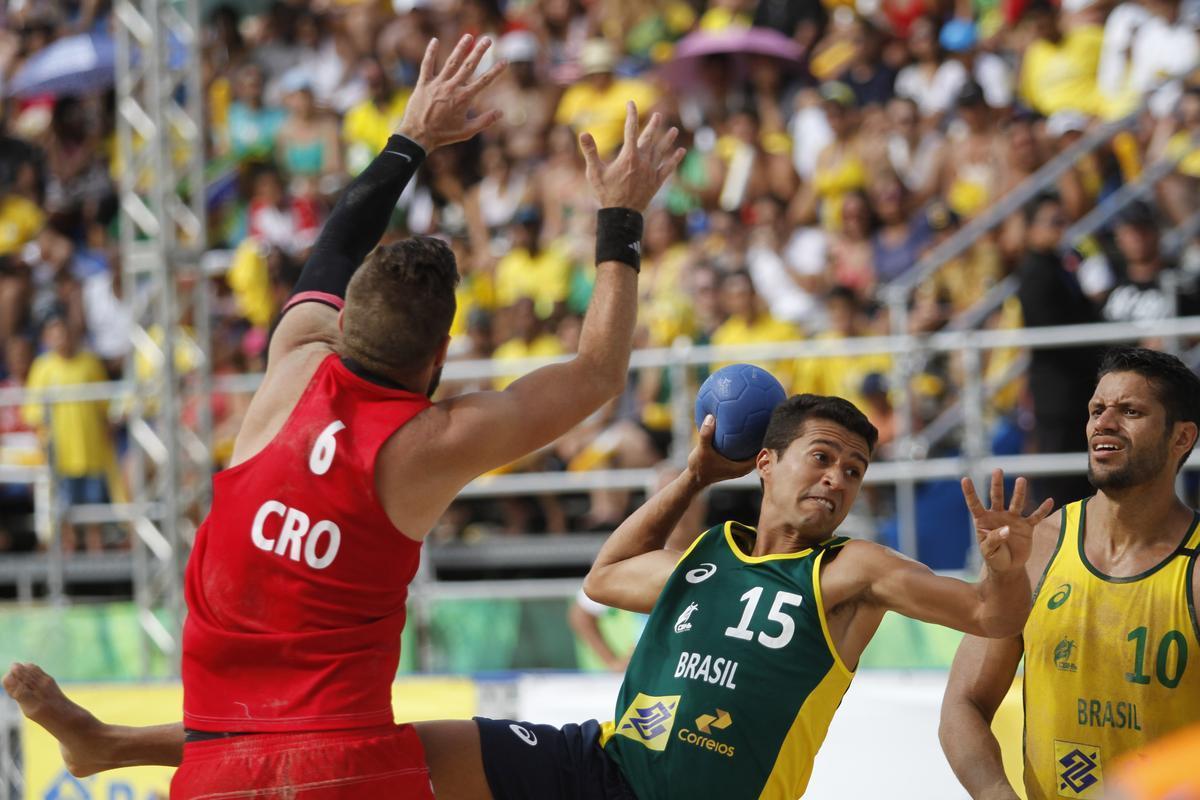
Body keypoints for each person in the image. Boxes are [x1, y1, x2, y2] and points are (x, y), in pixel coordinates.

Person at [7, 34, 684, 798]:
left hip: (214, 765)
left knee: (281, 720)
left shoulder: (293, 362)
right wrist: (621, 217)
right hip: (345, 768)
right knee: (570, 767)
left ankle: (111, 743)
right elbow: (597, 373)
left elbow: (337, 242)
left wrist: (412, 135)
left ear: (339, 319)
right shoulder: (432, 441)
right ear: (440, 354)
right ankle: (110, 743)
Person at [7, 395, 1050, 799]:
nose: (839, 480)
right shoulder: (708, 554)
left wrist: (1003, 568)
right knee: (357, 742)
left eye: (855, 470)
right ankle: (110, 744)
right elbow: (604, 576)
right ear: (769, 463)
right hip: (602, 766)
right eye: (824, 457)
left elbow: (988, 618)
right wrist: (692, 473)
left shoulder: (851, 572)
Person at [940, 346, 1200, 800]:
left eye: (1130, 411)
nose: (1104, 423)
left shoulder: (1193, 570)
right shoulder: (1037, 547)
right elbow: (963, 703)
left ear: (1181, 438)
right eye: (1097, 410)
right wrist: (997, 793)